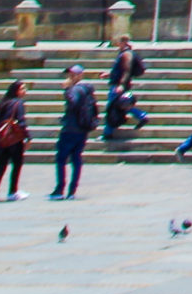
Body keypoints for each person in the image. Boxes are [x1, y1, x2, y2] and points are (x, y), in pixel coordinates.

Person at [49, 63, 98, 200]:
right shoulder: (88, 89)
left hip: (71, 129)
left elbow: (73, 103)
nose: (70, 77)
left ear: (80, 75)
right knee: (76, 158)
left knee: (61, 158)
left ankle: (60, 189)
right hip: (82, 128)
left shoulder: (76, 89)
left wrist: (67, 89)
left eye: (73, 74)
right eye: (70, 74)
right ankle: (72, 189)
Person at [0, 80, 29, 202]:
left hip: (2, 138)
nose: (25, 91)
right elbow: (21, 122)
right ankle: (13, 191)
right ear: (17, 91)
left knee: (1, 166)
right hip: (14, 139)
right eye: (22, 89)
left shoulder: (3, 103)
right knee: (17, 165)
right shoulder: (18, 103)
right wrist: (28, 137)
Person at [103, 37, 150, 140]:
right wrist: (110, 74)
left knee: (112, 107)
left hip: (118, 86)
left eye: (119, 42)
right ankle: (141, 116)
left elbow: (126, 70)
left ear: (124, 42)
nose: (117, 44)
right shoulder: (124, 53)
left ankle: (108, 132)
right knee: (122, 105)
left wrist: (121, 84)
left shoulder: (126, 54)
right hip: (119, 84)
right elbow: (120, 70)